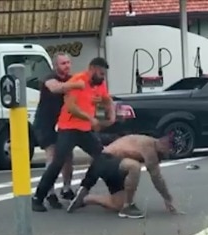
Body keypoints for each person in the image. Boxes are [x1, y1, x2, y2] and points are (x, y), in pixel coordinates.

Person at [32, 57, 115, 212]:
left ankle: (84, 188)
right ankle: (38, 197)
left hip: (85, 129)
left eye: (104, 75)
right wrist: (90, 118)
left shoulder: (99, 84)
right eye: (101, 74)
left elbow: (104, 99)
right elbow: (71, 107)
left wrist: (109, 114)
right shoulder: (78, 81)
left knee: (102, 156)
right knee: (58, 161)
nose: (103, 77)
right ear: (92, 69)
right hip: (68, 128)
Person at [67, 134, 180, 217]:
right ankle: (128, 206)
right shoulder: (149, 147)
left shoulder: (153, 146)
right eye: (167, 151)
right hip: (106, 159)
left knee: (117, 204)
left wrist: (86, 188)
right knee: (134, 166)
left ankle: (85, 199)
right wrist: (168, 198)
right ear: (164, 144)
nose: (166, 155)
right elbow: (156, 177)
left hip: (115, 168)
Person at [33, 52, 83, 208]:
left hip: (64, 124)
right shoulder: (49, 78)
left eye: (68, 62)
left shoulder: (73, 79)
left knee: (68, 156)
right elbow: (55, 88)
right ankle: (50, 192)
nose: (67, 66)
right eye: (63, 63)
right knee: (53, 156)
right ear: (56, 66)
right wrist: (77, 84)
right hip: (46, 123)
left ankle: (67, 188)